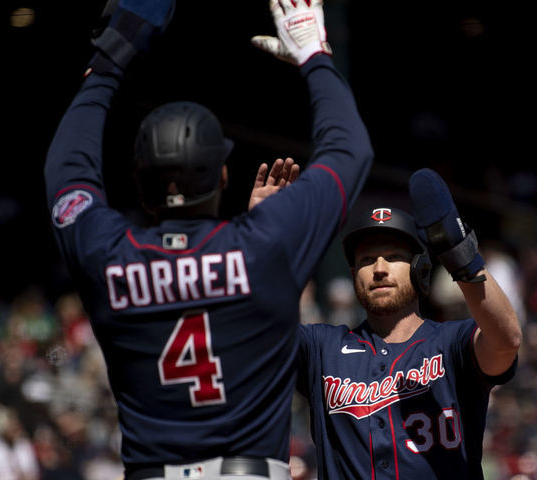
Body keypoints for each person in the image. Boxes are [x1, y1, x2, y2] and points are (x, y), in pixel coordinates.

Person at [43, 0, 373, 478]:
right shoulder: (267, 245)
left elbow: (66, 170)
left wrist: (109, 62)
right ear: (222, 174)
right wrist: (315, 56)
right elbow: (349, 148)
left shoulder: (108, 254)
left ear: (140, 183)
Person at [296, 168, 522, 479]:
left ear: (421, 270)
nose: (379, 269)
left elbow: (506, 340)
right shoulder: (322, 348)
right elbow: (251, 338)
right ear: (352, 276)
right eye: (366, 260)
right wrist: (265, 241)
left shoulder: (452, 342)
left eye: (392, 256)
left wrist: (462, 255)